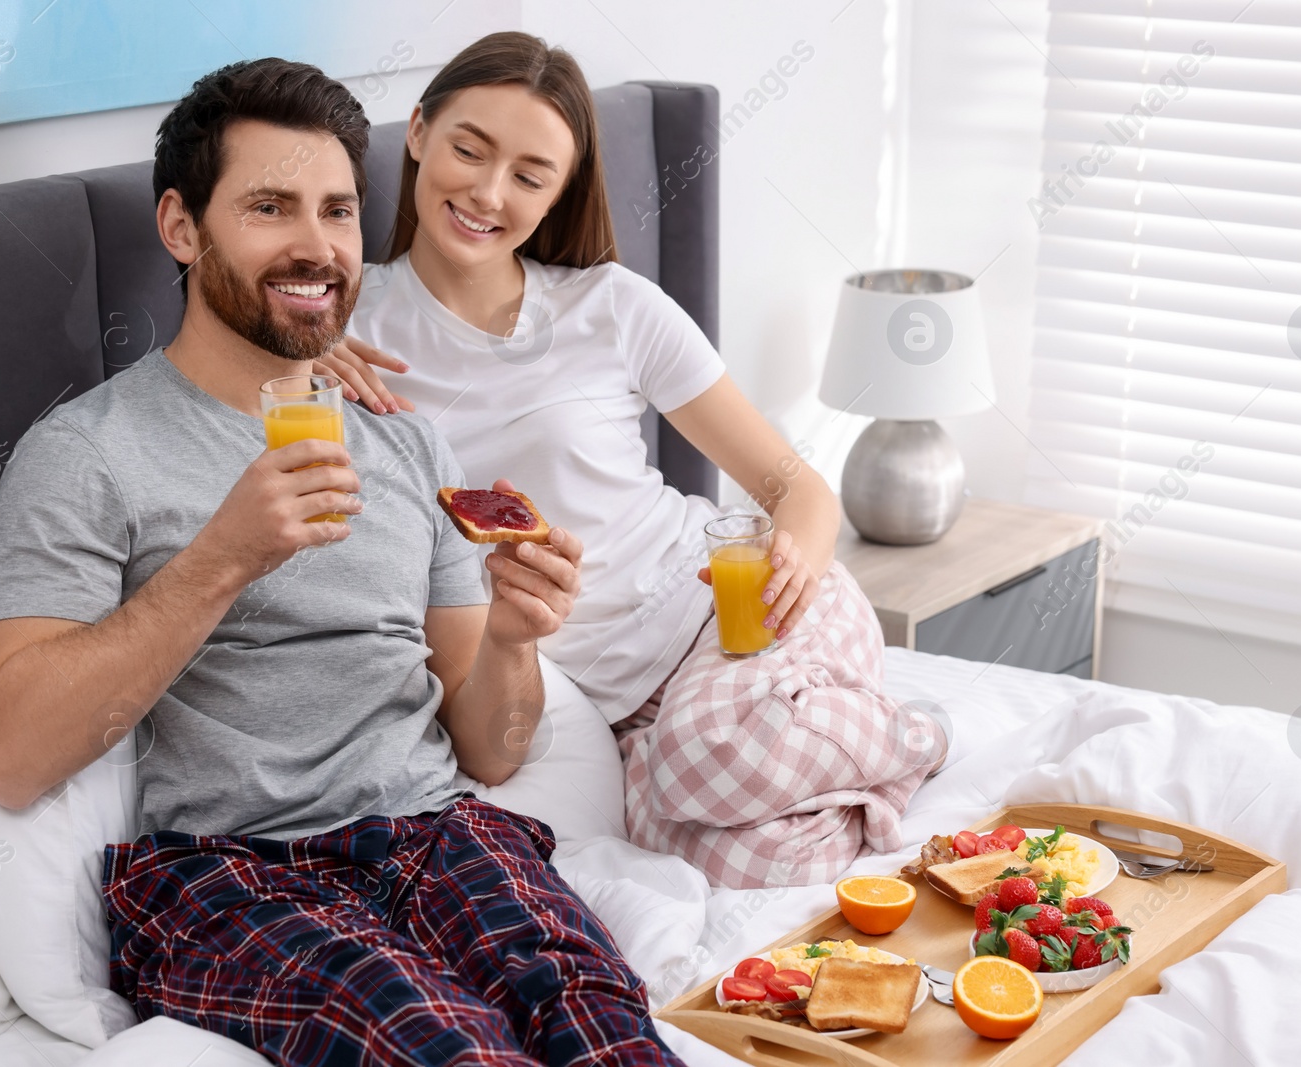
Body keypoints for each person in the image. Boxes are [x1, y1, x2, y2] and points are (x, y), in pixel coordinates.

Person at [0, 57, 682, 1067]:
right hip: (231, 877)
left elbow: (493, 748)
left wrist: (515, 639)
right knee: (445, 1047)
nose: (316, 246)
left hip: (442, 835)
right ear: (181, 226)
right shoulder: (87, 451)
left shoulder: (407, 446)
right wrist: (223, 556)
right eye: (269, 206)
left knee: (607, 1027)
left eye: (338, 211)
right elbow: (11, 746)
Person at [317, 32, 952, 890]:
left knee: (700, 760)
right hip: (606, 702)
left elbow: (793, 487)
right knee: (733, 858)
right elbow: (205, 361)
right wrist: (288, 362)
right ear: (421, 133)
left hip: (726, 617)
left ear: (560, 194)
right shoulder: (342, 326)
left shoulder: (611, 307)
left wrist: (792, 556)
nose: (487, 191)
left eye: (530, 175)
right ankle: (851, 789)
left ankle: (916, 735)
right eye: (469, 149)